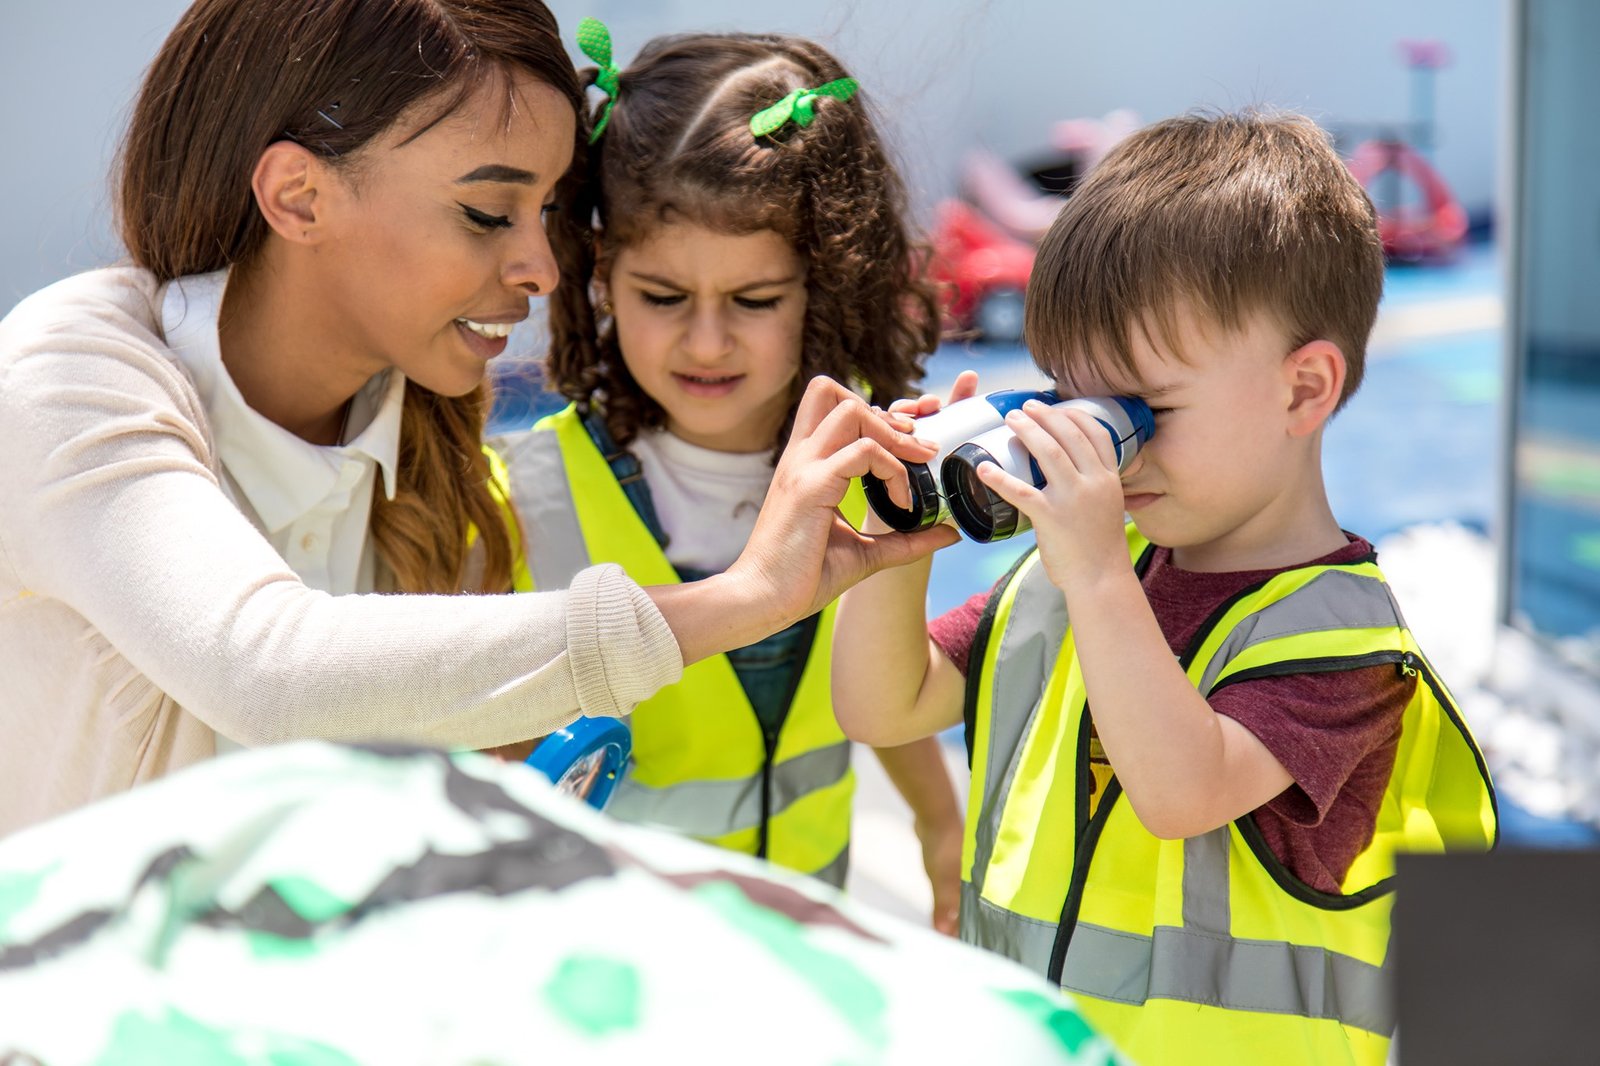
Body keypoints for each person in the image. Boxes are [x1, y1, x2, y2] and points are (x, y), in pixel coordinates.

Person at [0, 0, 953, 837]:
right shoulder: (72, 369)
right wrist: (743, 599)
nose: (543, 269)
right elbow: (269, 671)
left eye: (549, 211)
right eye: (489, 213)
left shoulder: (434, 448)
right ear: (299, 195)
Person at [831, 111, 1497, 1064]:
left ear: (1304, 390)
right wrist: (900, 536)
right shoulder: (1072, 581)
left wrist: (1099, 571)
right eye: (1078, 402)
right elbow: (883, 705)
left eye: (1145, 410)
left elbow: (1182, 790)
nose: (1109, 442)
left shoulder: (1338, 645)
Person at [491, 24, 963, 926]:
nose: (706, 342)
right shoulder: (519, 496)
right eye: (663, 298)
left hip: (807, 966)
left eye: (754, 301)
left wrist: (939, 818)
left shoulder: (868, 466)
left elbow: (881, 667)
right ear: (598, 279)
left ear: (826, 286)